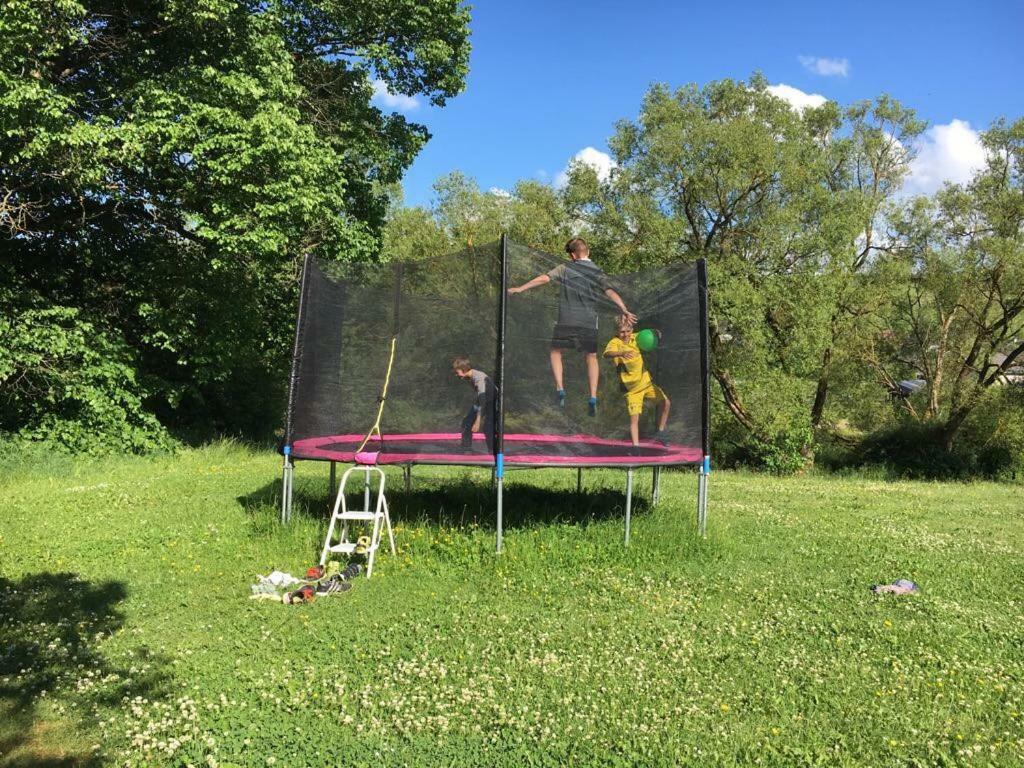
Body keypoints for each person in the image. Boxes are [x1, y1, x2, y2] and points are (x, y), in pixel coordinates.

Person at [507, 237, 635, 415]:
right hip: (589, 322)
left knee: (555, 352)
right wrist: (624, 308)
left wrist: (520, 288)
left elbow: (544, 278)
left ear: (573, 255)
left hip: (567, 320)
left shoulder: (565, 267)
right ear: (587, 252)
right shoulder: (597, 271)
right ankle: (593, 396)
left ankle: (560, 388)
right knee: (591, 357)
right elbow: (610, 291)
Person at [602, 314, 671, 447]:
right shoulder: (615, 343)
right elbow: (606, 354)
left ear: (632, 331)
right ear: (617, 332)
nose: (625, 334)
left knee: (666, 403)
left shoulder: (635, 337)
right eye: (622, 331)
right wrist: (620, 353)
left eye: (628, 331)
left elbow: (647, 334)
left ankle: (661, 432)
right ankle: (636, 448)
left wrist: (655, 332)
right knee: (634, 420)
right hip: (632, 390)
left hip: (646, 383)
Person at [452, 356, 495, 452]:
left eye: (457, 372)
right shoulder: (468, 377)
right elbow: (480, 397)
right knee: (467, 422)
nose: (456, 374)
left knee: (488, 427)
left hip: (493, 402)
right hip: (483, 400)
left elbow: (482, 400)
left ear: (464, 369)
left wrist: (478, 420)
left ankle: (492, 452)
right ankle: (466, 448)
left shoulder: (478, 378)